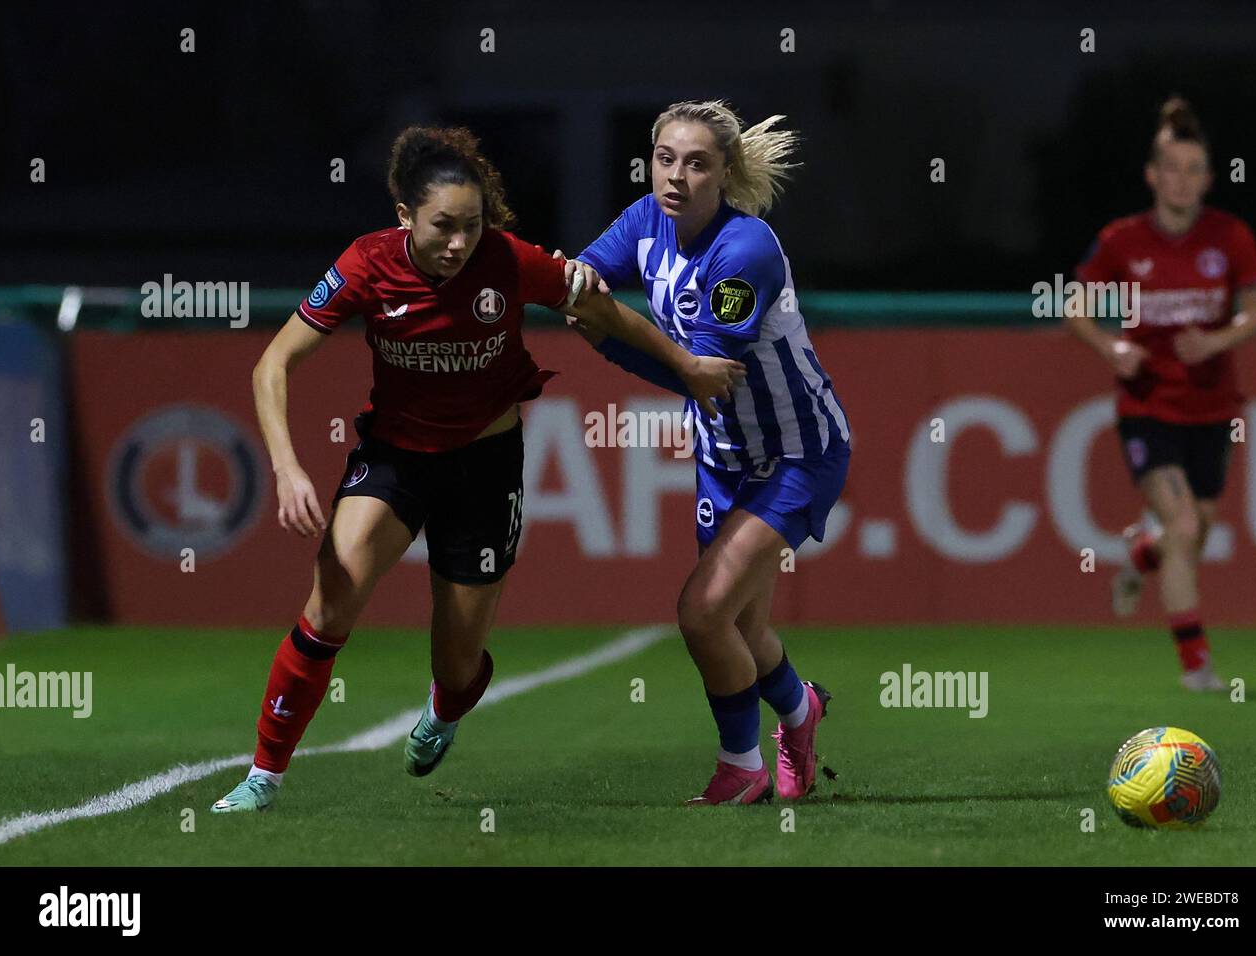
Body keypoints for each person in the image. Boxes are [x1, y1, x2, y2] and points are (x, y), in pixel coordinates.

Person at [212, 125, 743, 812]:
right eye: (443, 227)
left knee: (459, 665)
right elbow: (273, 363)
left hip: (486, 468)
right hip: (395, 459)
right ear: (405, 217)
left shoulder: (507, 261)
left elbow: (604, 311)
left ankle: (447, 705)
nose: (460, 243)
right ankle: (264, 775)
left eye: (471, 226)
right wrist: (288, 469)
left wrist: (686, 365)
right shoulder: (365, 264)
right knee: (330, 599)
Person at [564, 100, 851, 804]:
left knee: (701, 614)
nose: (676, 176)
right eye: (666, 159)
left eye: (696, 163)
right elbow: (584, 280)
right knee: (744, 629)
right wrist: (572, 290)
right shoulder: (643, 221)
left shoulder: (744, 250)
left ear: (724, 173)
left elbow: (703, 373)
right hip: (723, 457)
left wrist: (604, 333)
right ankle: (800, 710)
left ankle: (741, 766)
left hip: (795, 454)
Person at [1066, 97, 1256, 691]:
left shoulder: (1230, 237)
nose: (1183, 180)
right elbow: (1073, 306)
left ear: (1207, 177)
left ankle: (1139, 557)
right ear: (1153, 175)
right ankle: (1197, 665)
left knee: (1193, 531)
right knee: (1182, 524)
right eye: (1172, 168)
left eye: (1195, 169)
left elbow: (1255, 314)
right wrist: (1110, 348)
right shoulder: (1122, 241)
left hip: (1212, 407)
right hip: (1147, 406)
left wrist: (1216, 341)